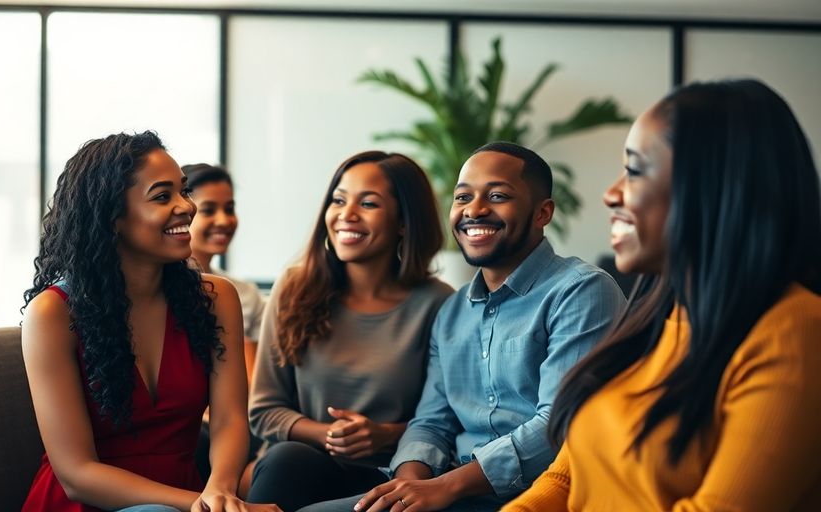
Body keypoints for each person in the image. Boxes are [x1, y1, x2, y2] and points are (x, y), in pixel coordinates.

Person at [503, 80, 821, 511]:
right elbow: (571, 471)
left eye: (634, 170)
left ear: (714, 185)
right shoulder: (657, 315)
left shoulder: (796, 331)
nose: (610, 193)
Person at [303, 142, 626, 512]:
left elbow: (561, 423)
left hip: (542, 497)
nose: (474, 210)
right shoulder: (453, 311)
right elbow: (432, 422)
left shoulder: (582, 290)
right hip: (453, 491)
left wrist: (447, 487)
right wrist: (408, 486)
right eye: (462, 197)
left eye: (498, 196)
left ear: (542, 213)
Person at [19, 131, 277, 512]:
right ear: (113, 217)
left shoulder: (216, 299)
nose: (186, 207)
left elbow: (229, 421)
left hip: (190, 502)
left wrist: (221, 492)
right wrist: (201, 505)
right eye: (162, 196)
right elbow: (76, 474)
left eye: (183, 191)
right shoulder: (52, 313)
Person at [245, 151, 454, 511]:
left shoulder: (439, 304)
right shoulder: (295, 288)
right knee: (288, 459)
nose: (346, 215)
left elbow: (448, 418)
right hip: (296, 466)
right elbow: (264, 410)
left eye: (368, 203)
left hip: (387, 475)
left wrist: (383, 435)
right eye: (338, 200)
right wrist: (328, 434)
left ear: (404, 221)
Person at [182, 163, 266, 380]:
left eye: (229, 209)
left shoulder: (246, 293)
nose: (224, 220)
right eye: (208, 210)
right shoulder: (156, 289)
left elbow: (253, 381)